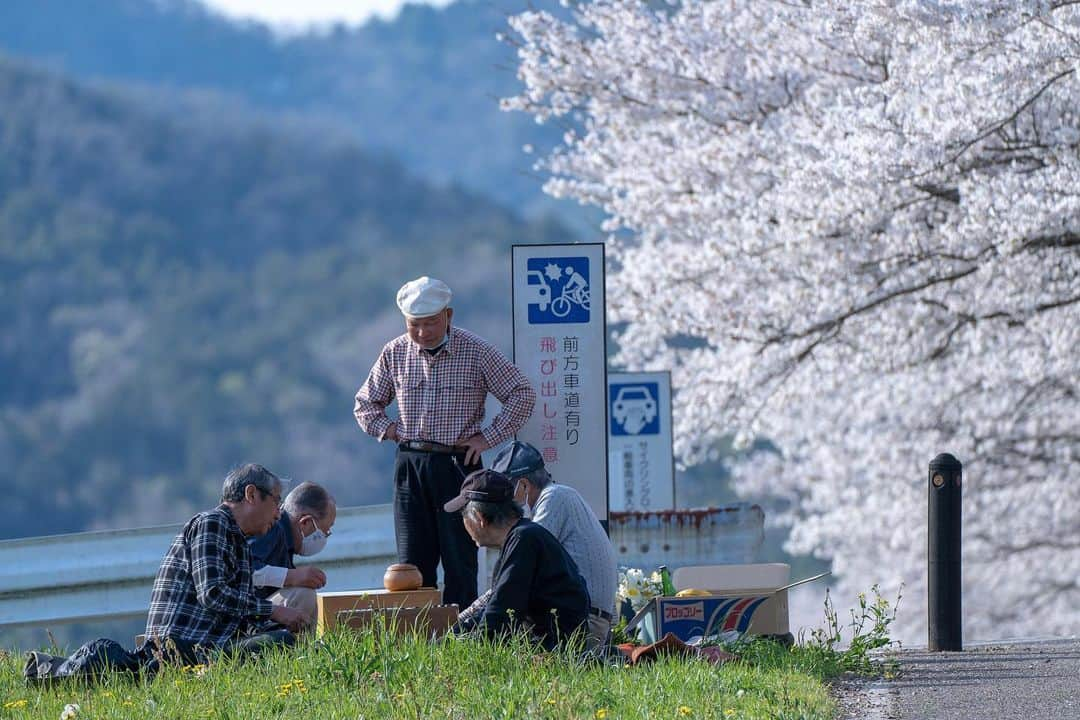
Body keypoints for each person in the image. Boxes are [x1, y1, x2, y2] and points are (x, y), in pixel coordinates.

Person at [353, 276, 536, 608]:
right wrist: (391, 430)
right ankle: (420, 638)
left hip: (458, 463)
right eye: (415, 324)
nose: (422, 332)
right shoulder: (395, 352)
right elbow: (365, 404)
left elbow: (522, 394)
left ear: (448, 316)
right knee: (411, 563)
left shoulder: (476, 350)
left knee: (460, 560)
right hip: (411, 463)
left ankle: (460, 635)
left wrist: (488, 438)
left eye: (431, 323)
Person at [461, 440, 617, 650]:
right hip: (587, 617)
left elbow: (513, 577)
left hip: (583, 622)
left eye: (507, 489)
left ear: (523, 485)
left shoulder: (552, 500)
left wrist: (461, 620)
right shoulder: (560, 497)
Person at [144, 464, 308, 657]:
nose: (278, 514)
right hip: (182, 649)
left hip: (208, 646)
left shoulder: (239, 542)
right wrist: (273, 611)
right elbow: (212, 593)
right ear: (252, 495)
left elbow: (240, 615)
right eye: (276, 501)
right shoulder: (212, 523)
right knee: (281, 642)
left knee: (283, 639)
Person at [444, 469, 589, 651]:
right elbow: (492, 607)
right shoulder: (522, 536)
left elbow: (499, 615)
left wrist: (458, 651)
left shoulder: (524, 540)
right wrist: (449, 636)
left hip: (554, 650)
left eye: (464, 515)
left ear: (479, 518)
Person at [249, 481, 337, 627]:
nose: (325, 536)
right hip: (242, 615)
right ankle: (283, 648)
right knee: (303, 594)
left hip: (256, 611)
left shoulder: (285, 540)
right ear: (306, 523)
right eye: (325, 531)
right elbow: (245, 570)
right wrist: (291, 576)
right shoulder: (271, 528)